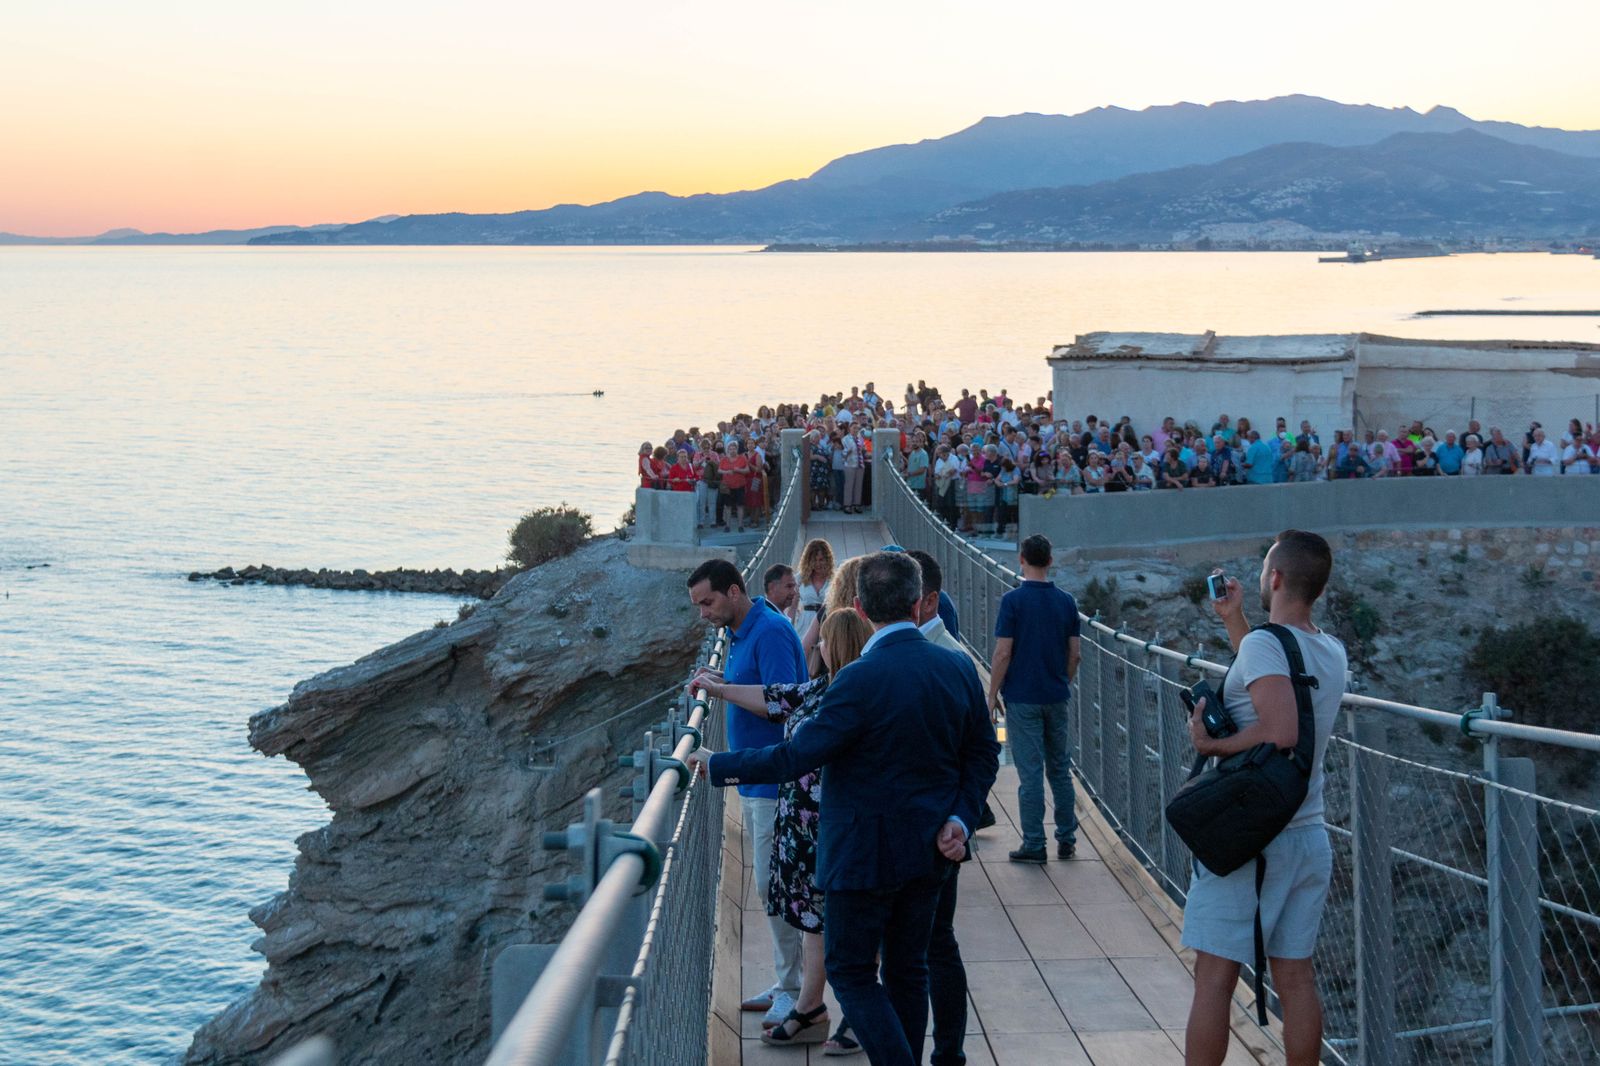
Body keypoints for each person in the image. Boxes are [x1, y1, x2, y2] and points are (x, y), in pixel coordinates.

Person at [693, 553, 999, 1066]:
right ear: (917, 604)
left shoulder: (857, 680)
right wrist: (961, 818)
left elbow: (794, 757)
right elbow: (984, 752)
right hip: (933, 853)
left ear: (858, 607)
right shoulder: (957, 665)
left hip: (862, 857)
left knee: (852, 972)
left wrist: (719, 764)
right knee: (908, 970)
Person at [1182, 531, 1346, 1066]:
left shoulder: (1264, 646)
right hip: (1307, 833)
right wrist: (1235, 621)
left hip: (1251, 841)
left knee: (1214, 978)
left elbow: (1279, 729)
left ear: (1274, 578)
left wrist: (1211, 743)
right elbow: (1277, 677)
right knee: (1295, 975)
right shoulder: (1326, 648)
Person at [688, 609, 874, 1046]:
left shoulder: (845, 698)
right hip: (803, 825)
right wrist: (721, 690)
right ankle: (811, 1008)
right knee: (811, 916)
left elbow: (789, 758)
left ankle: (856, 1016)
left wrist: (719, 764)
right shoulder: (821, 688)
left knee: (842, 922)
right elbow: (775, 697)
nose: (817, 646)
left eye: (823, 640)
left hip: (829, 824)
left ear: (837, 646)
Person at [685, 559, 809, 1027]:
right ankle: (788, 983)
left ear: (735, 592)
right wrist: (724, 683)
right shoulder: (740, 632)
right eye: (698, 605)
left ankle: (795, 990)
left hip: (776, 780)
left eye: (708, 602)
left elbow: (784, 702)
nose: (703, 614)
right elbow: (755, 690)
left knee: (776, 885)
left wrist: (721, 692)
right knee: (772, 884)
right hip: (756, 779)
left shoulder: (771, 631)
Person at [987, 534, 1081, 863]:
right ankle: (1067, 839)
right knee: (1059, 769)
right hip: (1056, 696)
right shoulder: (1067, 602)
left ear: (1021, 560)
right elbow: (1075, 655)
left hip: (1022, 699)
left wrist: (992, 693)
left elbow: (1002, 653)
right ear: (1050, 561)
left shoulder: (1012, 602)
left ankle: (1034, 843)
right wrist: (1061, 682)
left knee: (1030, 773)